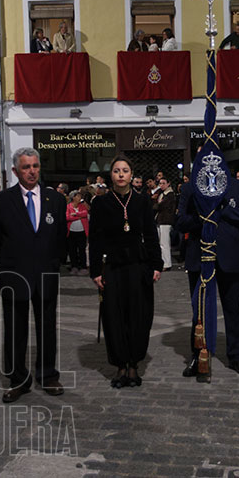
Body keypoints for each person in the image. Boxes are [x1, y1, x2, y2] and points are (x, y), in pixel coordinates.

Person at [0, 148, 67, 401]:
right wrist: (8, 263)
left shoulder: (56, 199)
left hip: (46, 275)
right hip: (14, 276)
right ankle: (18, 380)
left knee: (47, 328)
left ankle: (48, 375)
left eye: (35, 166)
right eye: (26, 167)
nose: (32, 171)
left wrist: (53, 264)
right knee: (14, 331)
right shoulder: (2, 201)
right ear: (15, 171)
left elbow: (60, 238)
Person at [89, 156, 162, 387]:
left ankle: (133, 364)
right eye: (116, 171)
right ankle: (120, 365)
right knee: (114, 316)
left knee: (139, 316)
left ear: (131, 175)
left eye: (125, 170)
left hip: (138, 265)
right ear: (111, 175)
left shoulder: (142, 201)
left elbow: (150, 234)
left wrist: (156, 264)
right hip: (112, 267)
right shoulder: (100, 203)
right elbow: (95, 239)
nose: (121, 174)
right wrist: (96, 270)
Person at [176, 172, 239, 382]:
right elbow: (181, 221)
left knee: (232, 310)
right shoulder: (190, 187)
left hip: (229, 257)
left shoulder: (237, 185)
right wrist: (203, 216)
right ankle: (197, 355)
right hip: (200, 256)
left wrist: (224, 210)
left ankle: (236, 356)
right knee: (199, 312)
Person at [153, 177, 175, 271]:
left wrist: (157, 204)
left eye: (163, 183)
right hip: (160, 220)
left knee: (164, 243)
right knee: (161, 243)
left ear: (168, 183)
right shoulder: (162, 194)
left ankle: (166, 263)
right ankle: (163, 262)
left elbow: (160, 206)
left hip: (166, 221)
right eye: (160, 183)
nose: (161, 185)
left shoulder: (170, 195)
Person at [66, 191, 89, 275]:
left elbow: (85, 213)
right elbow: (67, 217)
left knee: (82, 250)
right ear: (73, 197)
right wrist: (78, 217)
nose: (80, 198)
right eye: (78, 196)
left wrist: (75, 214)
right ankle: (74, 266)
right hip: (71, 232)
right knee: (72, 250)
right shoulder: (68, 206)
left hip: (82, 232)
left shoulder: (82, 206)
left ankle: (83, 267)